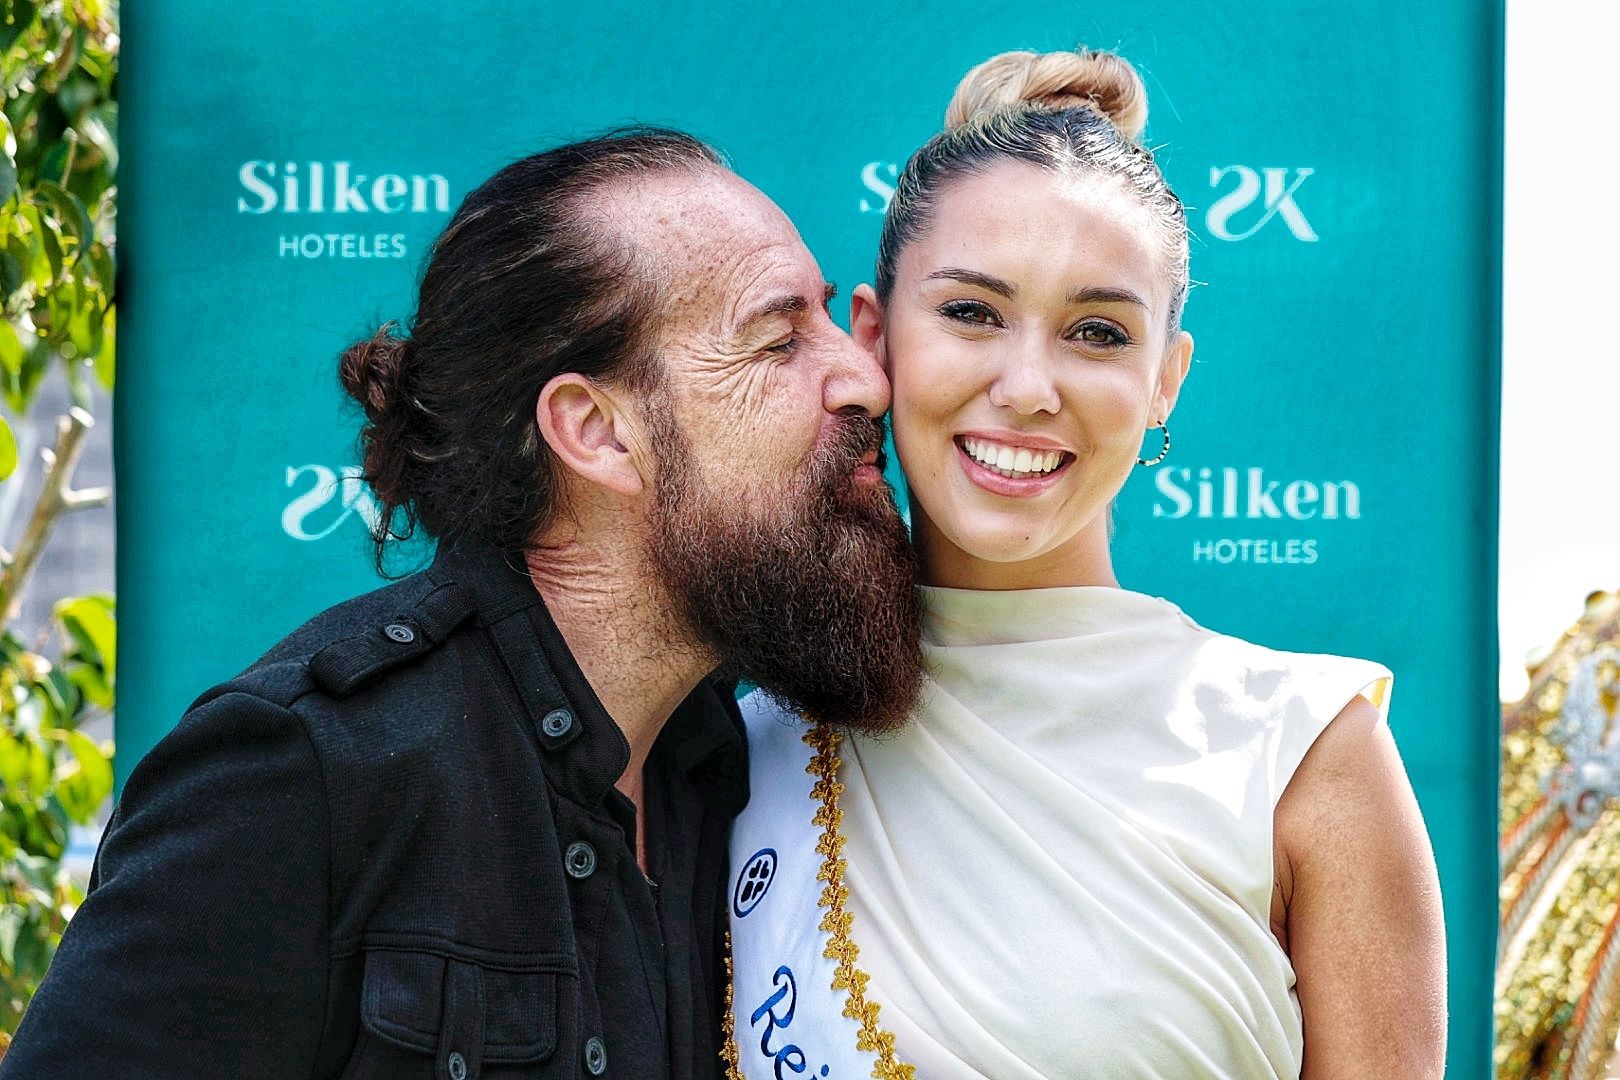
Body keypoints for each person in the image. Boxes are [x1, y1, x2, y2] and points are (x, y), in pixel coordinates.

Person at [1, 128, 926, 1079]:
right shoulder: (305, 776)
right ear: (597, 433)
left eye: (824, 316)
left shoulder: (729, 773)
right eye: (779, 339)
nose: (866, 376)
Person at [726, 49, 1446, 1080]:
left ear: (1166, 380)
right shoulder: (745, 748)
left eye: (1097, 332)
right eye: (971, 312)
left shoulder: (1306, 753)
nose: (1025, 387)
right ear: (877, 338)